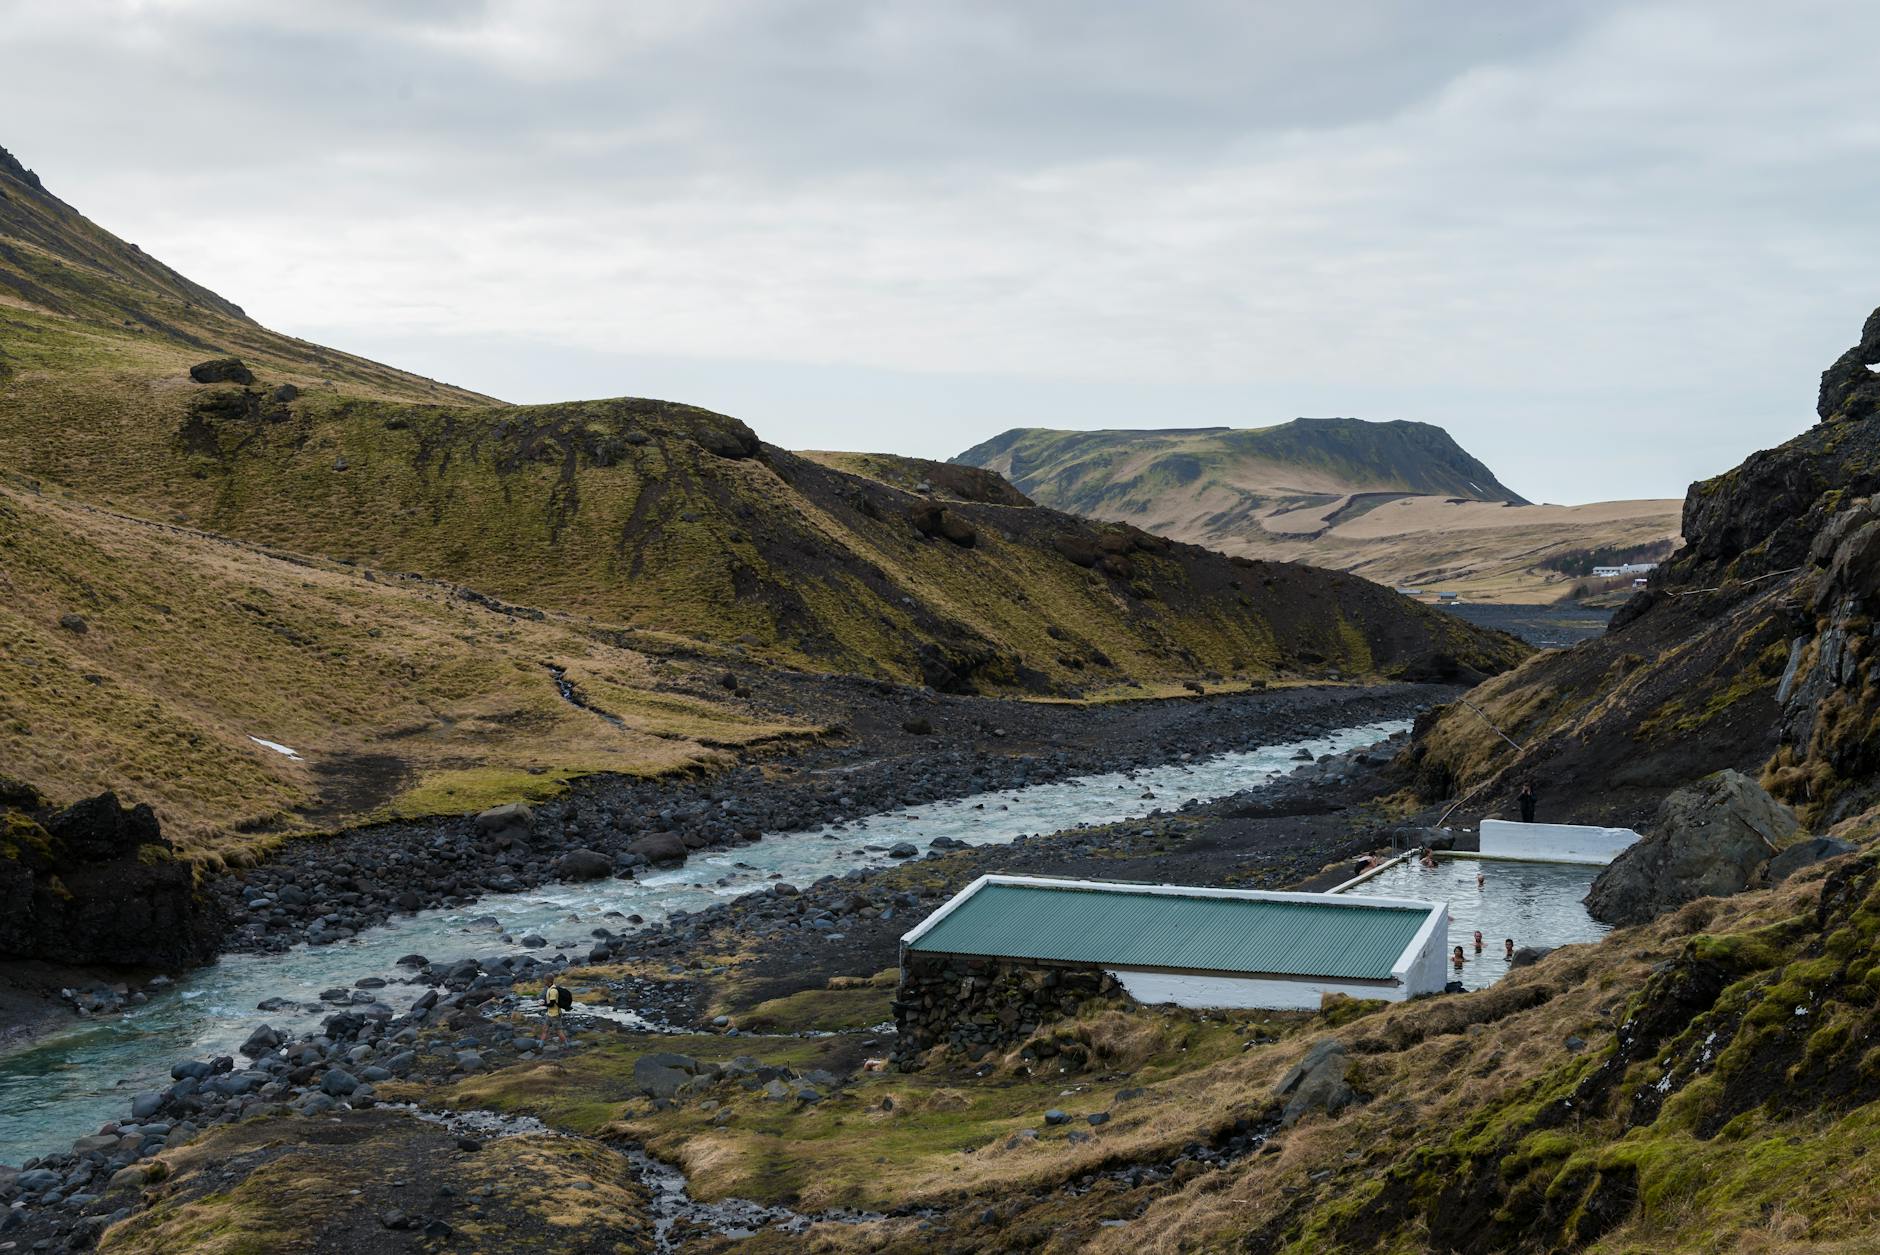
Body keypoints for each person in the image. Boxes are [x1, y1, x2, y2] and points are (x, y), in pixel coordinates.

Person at [539, 974, 571, 1051]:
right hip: (549, 1014)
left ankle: (567, 1046)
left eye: (545, 980)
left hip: (555, 1015)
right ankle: (540, 1046)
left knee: (559, 1032)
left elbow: (552, 1004)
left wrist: (543, 1004)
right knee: (545, 1029)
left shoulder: (553, 990)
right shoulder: (549, 989)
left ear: (548, 981)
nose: (544, 981)